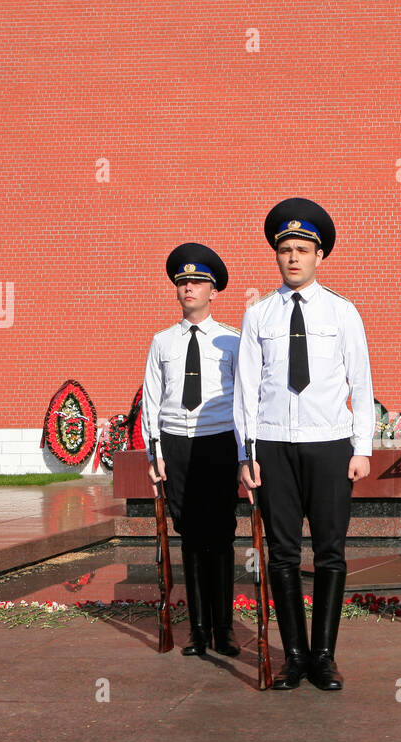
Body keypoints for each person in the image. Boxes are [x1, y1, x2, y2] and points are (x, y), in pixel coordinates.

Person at [234, 197, 375, 691]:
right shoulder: (259, 316)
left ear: (320, 256)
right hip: (273, 446)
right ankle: (294, 656)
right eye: (286, 250)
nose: (293, 257)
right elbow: (245, 391)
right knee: (283, 553)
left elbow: (361, 380)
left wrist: (362, 449)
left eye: (302, 249)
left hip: (329, 444)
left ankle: (324, 657)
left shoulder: (343, 312)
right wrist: (246, 456)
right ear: (277, 255)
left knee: (331, 552)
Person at [141, 242, 242, 658]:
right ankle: (197, 630)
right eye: (183, 282)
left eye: (198, 282)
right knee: (189, 535)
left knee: (219, 536)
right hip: (177, 445)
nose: (189, 288)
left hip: (218, 441)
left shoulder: (233, 341)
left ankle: (225, 629)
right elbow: (152, 398)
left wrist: (243, 455)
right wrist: (155, 453)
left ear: (213, 290)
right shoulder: (162, 342)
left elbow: (244, 399)